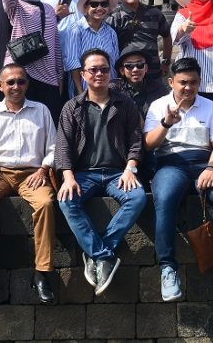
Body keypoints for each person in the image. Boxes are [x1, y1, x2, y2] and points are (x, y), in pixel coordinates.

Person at [144, 57, 213, 302]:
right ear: (171, 82)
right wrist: (166, 123)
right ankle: (167, 268)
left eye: (193, 82)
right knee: (165, 197)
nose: (188, 88)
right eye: (182, 82)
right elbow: (149, 144)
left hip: (205, 162)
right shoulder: (159, 106)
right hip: (171, 162)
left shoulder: (210, 106)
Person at [56, 49, 147, 295]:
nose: (99, 74)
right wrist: (68, 176)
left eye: (104, 69)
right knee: (66, 200)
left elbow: (136, 139)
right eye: (93, 70)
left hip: (118, 172)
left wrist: (131, 168)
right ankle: (104, 256)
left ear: (111, 73)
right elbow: (63, 144)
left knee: (137, 197)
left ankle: (98, 252)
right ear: (83, 74)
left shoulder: (124, 103)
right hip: (85, 173)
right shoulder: (72, 107)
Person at [0, 63, 58, 304]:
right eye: (10, 82)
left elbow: (53, 147)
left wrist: (44, 168)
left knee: (46, 203)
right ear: (0, 86)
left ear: (27, 84)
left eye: (21, 81)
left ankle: (42, 273)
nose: (16, 86)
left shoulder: (41, 110)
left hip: (32, 173)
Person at [2, 0, 64, 119]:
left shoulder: (49, 9)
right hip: (22, 73)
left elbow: (55, 43)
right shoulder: (16, 6)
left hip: (48, 76)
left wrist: (59, 76)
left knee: (49, 125)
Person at [106, 0, 172, 82]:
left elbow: (166, 36)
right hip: (127, 77)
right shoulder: (114, 17)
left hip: (153, 74)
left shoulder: (155, 13)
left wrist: (166, 61)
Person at [62, 0, 120, 94]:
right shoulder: (76, 30)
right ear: (86, 7)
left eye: (104, 4)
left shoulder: (111, 32)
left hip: (109, 90)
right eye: (94, 4)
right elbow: (72, 63)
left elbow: (114, 62)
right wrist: (80, 93)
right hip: (85, 90)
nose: (99, 8)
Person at [111, 46, 169, 118]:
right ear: (122, 70)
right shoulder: (114, 91)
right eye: (129, 66)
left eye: (140, 65)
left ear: (146, 68)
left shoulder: (159, 90)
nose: (135, 69)